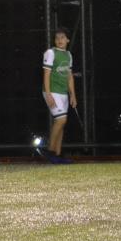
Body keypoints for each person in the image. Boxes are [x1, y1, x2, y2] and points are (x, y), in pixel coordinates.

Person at [41, 27, 77, 163]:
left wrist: (73, 95)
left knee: (61, 122)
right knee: (61, 120)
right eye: (57, 38)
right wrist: (48, 94)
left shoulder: (68, 55)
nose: (59, 40)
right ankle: (50, 151)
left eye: (62, 37)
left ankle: (57, 154)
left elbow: (69, 76)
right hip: (52, 91)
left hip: (63, 93)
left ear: (68, 40)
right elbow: (46, 74)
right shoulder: (51, 53)